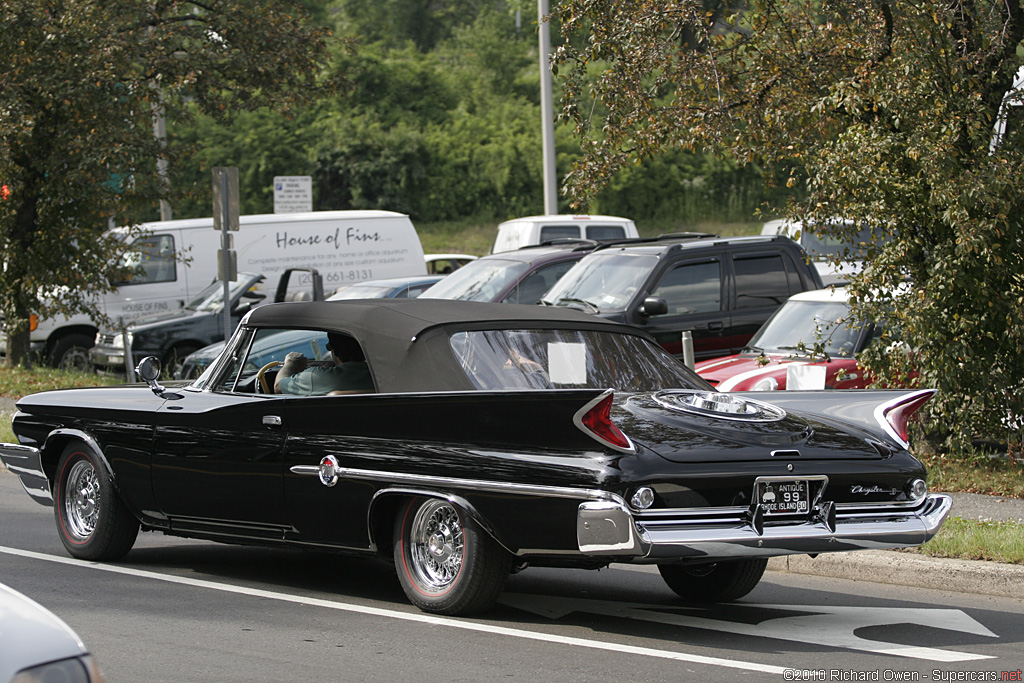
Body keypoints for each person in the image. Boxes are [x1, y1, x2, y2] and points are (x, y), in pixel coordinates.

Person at [274, 332, 374, 395]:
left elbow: (278, 387)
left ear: (334, 351)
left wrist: (290, 363)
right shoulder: (381, 375)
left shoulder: (315, 377)